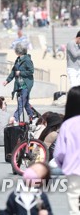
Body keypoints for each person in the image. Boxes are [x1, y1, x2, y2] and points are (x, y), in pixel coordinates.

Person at [54, 86, 80, 215]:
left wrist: (61, 165)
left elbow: (60, 152)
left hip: (74, 171)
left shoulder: (67, 124)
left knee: (74, 204)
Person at [4, 43, 35, 122]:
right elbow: (13, 72)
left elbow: (31, 71)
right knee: (25, 103)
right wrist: (7, 80)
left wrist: (20, 73)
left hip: (26, 84)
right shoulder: (18, 59)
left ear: (19, 51)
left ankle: (15, 118)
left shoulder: (27, 60)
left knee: (21, 102)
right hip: (19, 84)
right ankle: (32, 115)